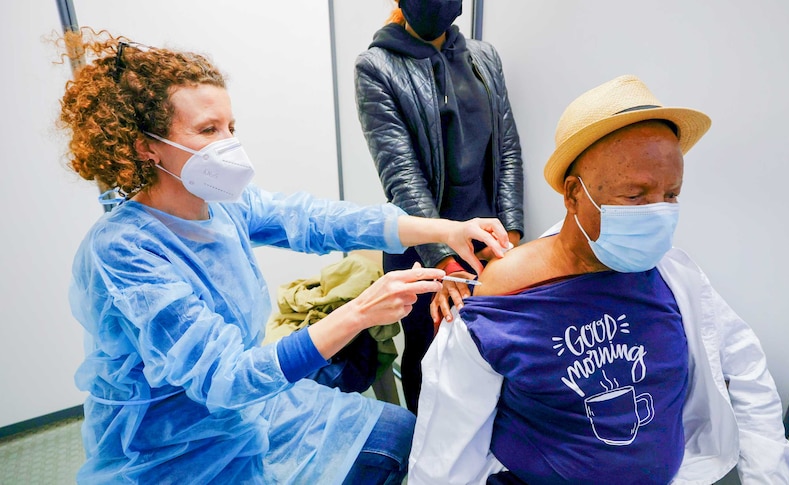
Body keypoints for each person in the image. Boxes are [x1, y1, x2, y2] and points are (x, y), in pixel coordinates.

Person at [56, 29, 510, 485]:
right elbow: (226, 377)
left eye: (231, 129)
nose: (228, 145)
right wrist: (360, 312)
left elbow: (317, 221)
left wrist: (444, 229)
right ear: (146, 147)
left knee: (404, 438)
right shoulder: (123, 251)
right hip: (174, 451)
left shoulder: (223, 209)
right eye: (208, 130)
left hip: (254, 413)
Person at [409, 75, 789, 484]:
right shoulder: (508, 294)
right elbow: (444, 449)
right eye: (636, 195)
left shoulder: (673, 277)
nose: (658, 212)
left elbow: (745, 368)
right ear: (574, 194)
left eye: (671, 195)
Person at [354, 0, 524, 413]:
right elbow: (401, 175)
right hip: (421, 248)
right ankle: (423, 456)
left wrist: (511, 239)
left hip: (489, 243)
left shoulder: (484, 57)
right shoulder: (376, 67)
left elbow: (507, 149)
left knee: (485, 361)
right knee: (430, 357)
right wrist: (446, 261)